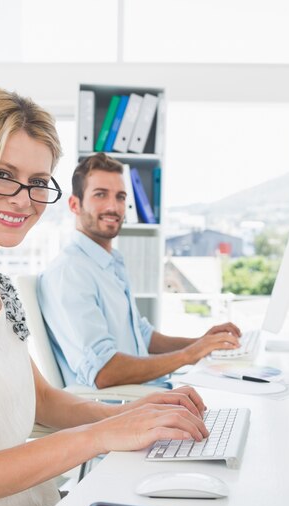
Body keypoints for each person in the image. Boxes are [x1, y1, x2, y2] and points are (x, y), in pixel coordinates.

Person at [0, 88, 208, 506]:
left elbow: (41, 399)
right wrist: (101, 436)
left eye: (37, 183)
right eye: (3, 174)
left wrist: (132, 414)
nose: (22, 199)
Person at [38, 152, 242, 390]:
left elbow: (142, 336)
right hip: (117, 410)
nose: (113, 207)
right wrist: (189, 355)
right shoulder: (70, 273)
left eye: (121, 197)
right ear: (75, 204)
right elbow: (104, 372)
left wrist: (204, 343)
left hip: (147, 395)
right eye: (100, 195)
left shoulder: (109, 263)